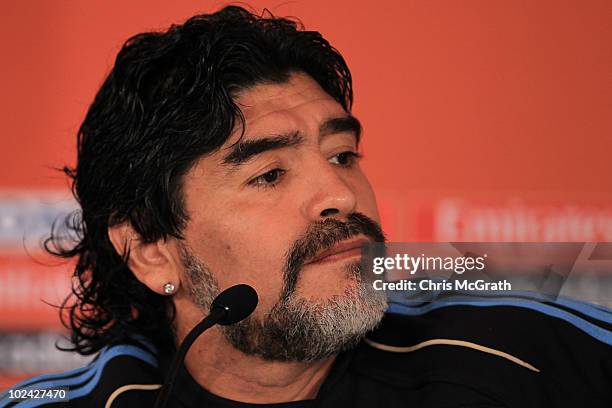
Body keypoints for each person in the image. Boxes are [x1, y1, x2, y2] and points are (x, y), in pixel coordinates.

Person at [1, 6, 610, 408]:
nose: (341, 196)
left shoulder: (528, 359)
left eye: (343, 156)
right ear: (153, 250)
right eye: (269, 174)